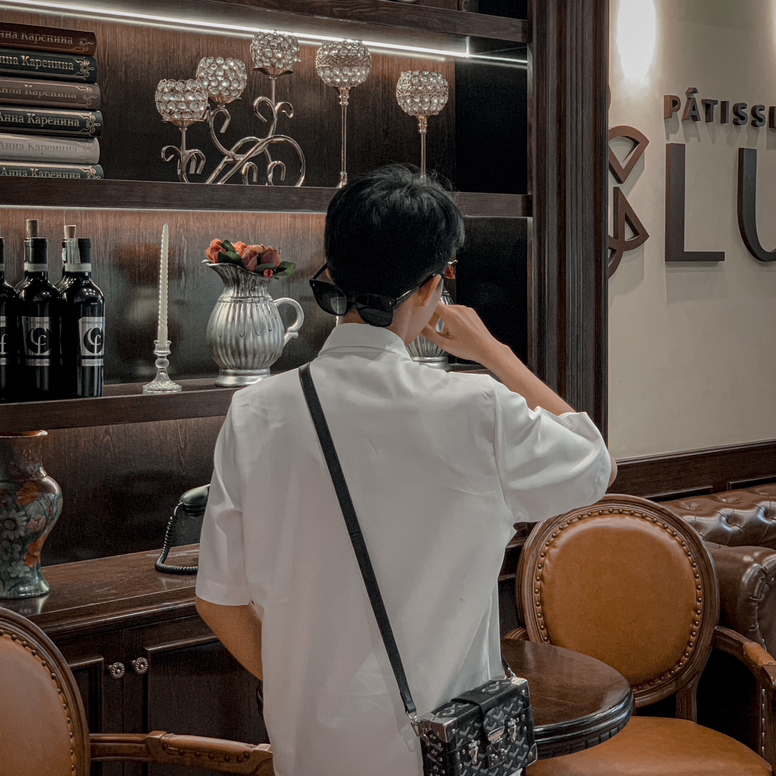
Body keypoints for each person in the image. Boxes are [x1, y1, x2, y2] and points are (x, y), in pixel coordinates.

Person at [195, 165, 616, 776]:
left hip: (312, 752)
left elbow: (220, 601)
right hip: (444, 751)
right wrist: (493, 352)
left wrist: (309, 691)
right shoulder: (479, 410)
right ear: (432, 286)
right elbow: (594, 463)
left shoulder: (255, 411)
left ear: (332, 272)